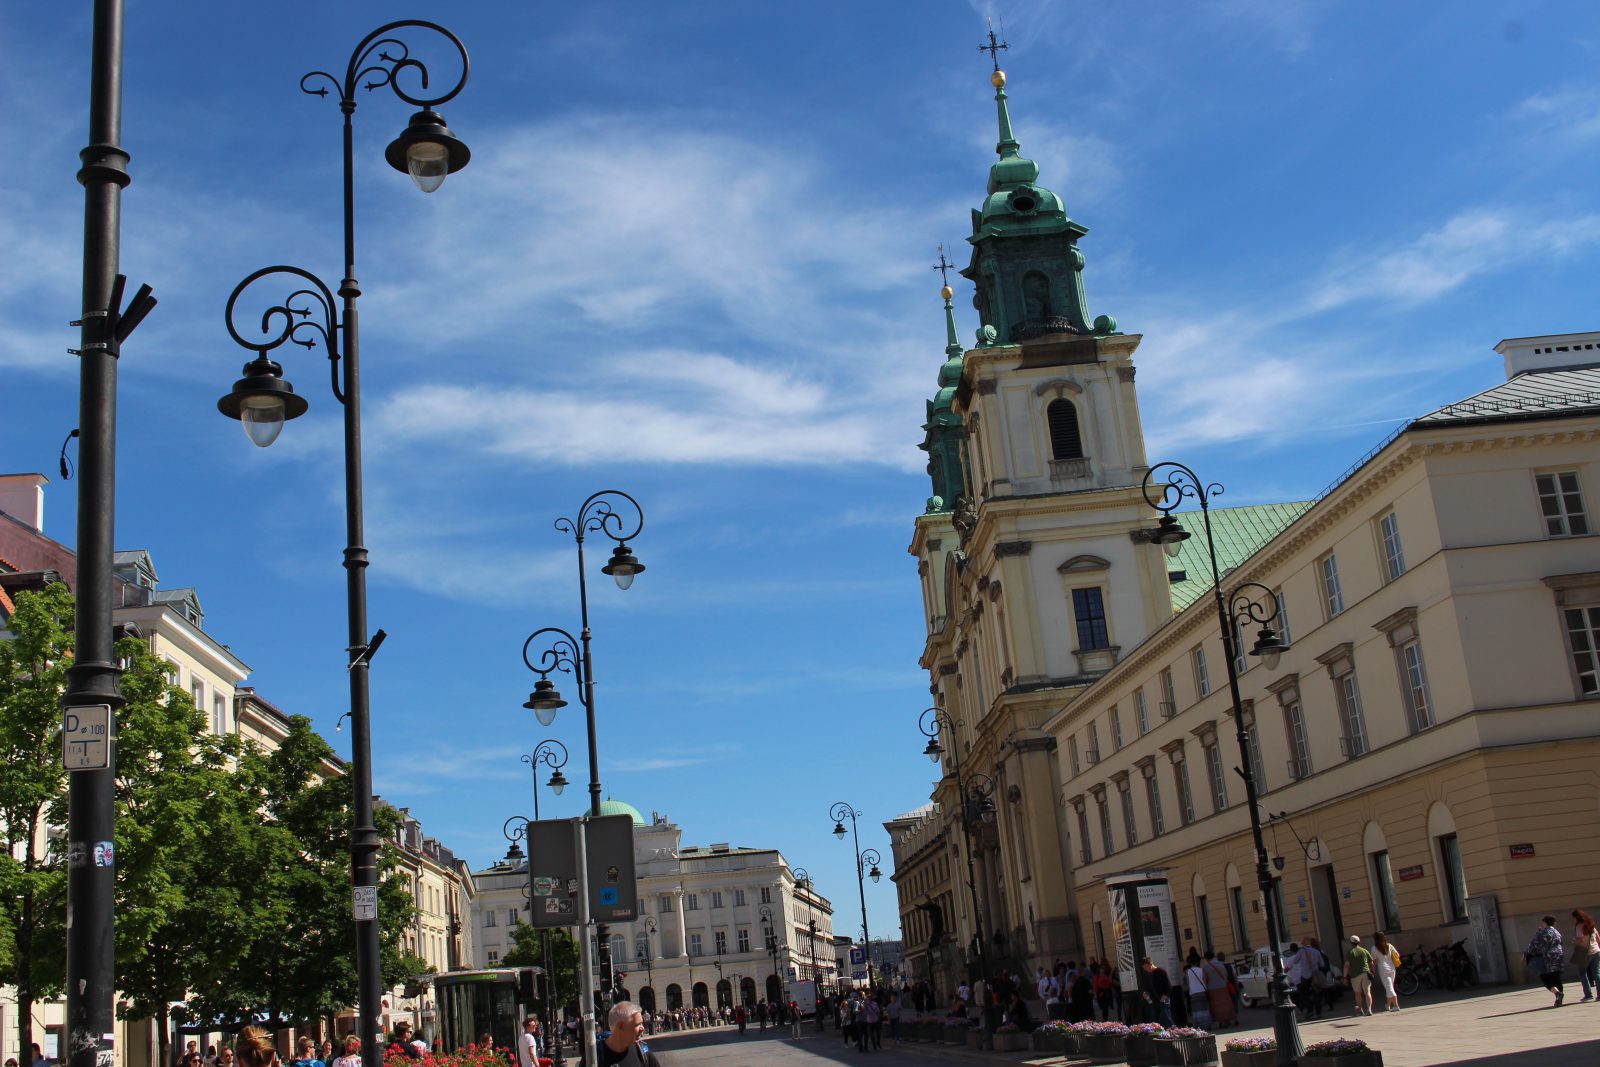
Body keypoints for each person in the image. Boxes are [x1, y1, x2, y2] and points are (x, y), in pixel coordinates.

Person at [599, 1002, 662, 1067]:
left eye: (642, 1023)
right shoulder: (596, 1056)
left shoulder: (642, 1052)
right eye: (638, 1024)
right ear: (621, 1026)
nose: (643, 1029)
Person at [1526, 914, 1566, 1007]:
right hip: (1558, 956)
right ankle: (1559, 999)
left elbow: (1535, 945)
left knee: (1545, 977)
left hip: (1547, 958)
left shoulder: (1542, 933)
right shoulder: (1556, 932)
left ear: (1545, 923)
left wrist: (1527, 953)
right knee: (1557, 977)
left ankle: (1557, 993)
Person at [1343, 935, 1374, 1017]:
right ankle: (1369, 1009)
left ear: (1350, 942)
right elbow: (1371, 963)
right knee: (1367, 992)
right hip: (1366, 973)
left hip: (1355, 975)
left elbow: (1347, 965)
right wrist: (1372, 972)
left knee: (1358, 993)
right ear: (1359, 942)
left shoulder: (1350, 952)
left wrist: (1345, 977)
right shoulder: (1364, 950)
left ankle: (1360, 1010)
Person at [1572, 910, 1600, 1002]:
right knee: (1597, 973)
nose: (1573, 920)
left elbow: (1580, 940)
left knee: (1583, 973)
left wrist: (1574, 941)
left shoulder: (1579, 926)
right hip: (1595, 951)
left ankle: (1588, 995)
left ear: (1577, 917)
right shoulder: (1591, 925)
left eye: (1574, 918)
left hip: (1584, 952)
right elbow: (1598, 938)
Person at [1372, 932, 1401, 1012]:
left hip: (1383, 969)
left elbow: (1374, 962)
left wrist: (1373, 971)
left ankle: (1396, 1006)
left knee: (1389, 988)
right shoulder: (1389, 945)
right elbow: (1397, 955)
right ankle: (1388, 1005)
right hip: (1392, 968)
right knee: (1389, 986)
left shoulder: (1374, 948)